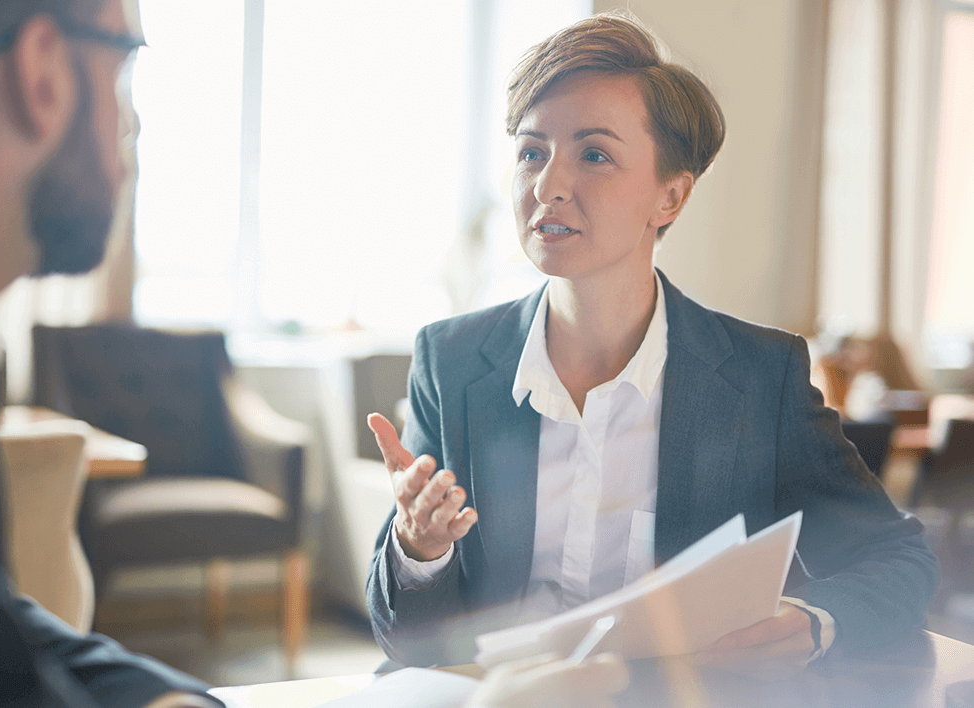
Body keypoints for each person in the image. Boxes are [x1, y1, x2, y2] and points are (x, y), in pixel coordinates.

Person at [0, 0, 627, 705]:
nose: (132, 122)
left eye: (595, 153)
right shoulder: (451, 357)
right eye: (122, 68)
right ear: (41, 72)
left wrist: (166, 697)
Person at [367, 11, 938, 677]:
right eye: (531, 151)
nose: (547, 185)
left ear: (670, 197)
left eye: (594, 154)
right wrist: (419, 548)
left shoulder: (760, 376)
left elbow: (898, 558)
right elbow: (411, 643)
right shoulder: (454, 361)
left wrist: (812, 622)